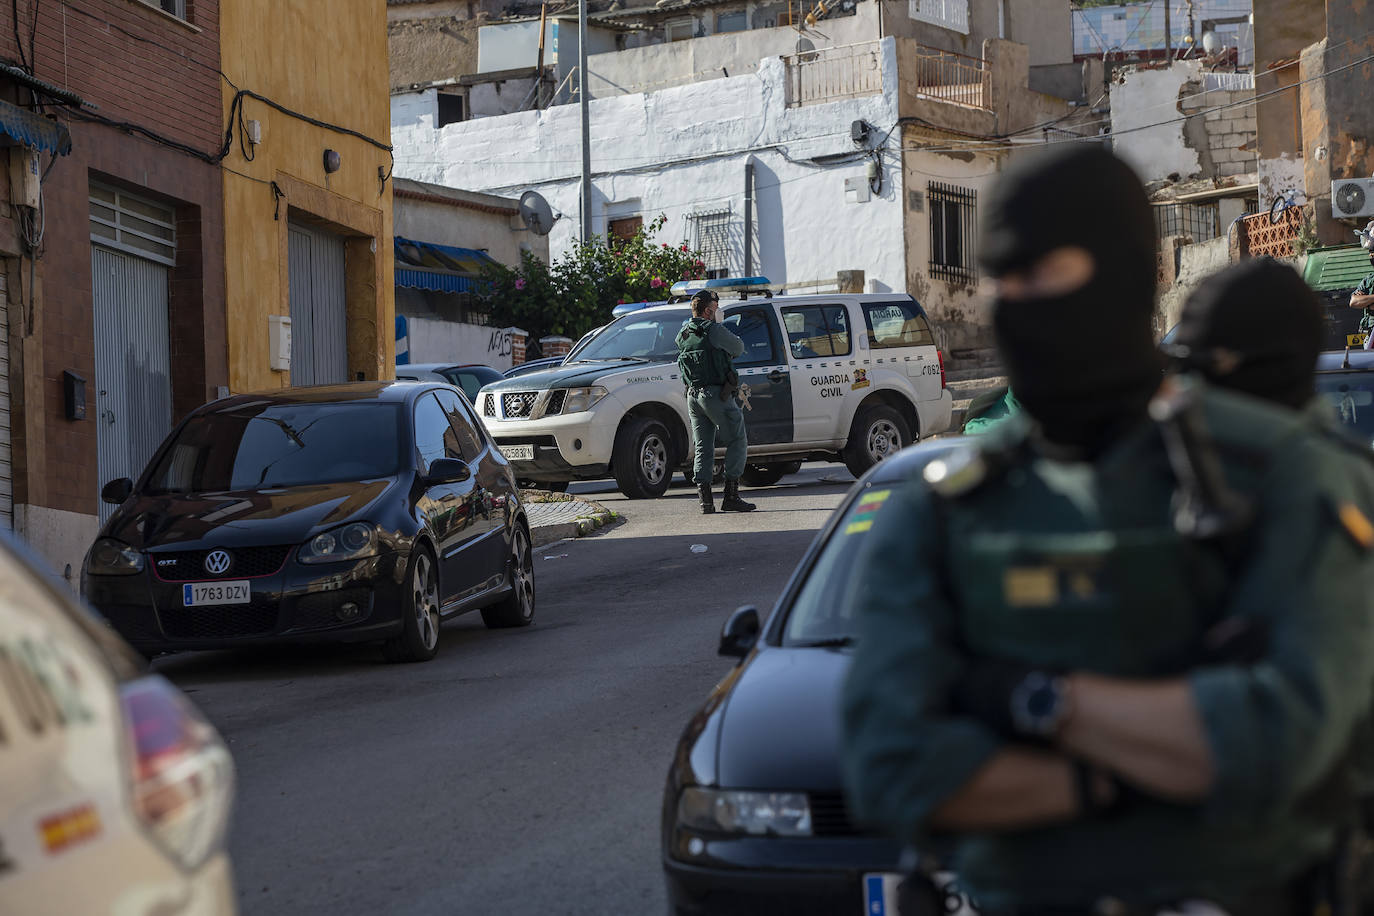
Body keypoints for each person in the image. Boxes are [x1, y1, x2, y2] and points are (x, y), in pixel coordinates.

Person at [839, 144, 1374, 916]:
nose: (1014, 301)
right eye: (999, 278)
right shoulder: (945, 506)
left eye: (1045, 271)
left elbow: (1280, 743)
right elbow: (890, 769)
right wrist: (1134, 770)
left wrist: (1024, 699)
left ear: (1126, 273)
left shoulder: (1276, 474)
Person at [675, 290, 756, 514]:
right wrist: (720, 327)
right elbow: (738, 348)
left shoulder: (683, 332)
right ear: (709, 311)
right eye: (716, 308)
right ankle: (731, 495)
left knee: (703, 446)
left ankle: (705, 501)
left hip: (693, 396)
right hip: (715, 395)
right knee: (737, 439)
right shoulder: (714, 330)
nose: (718, 312)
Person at [1350, 219, 1374, 349]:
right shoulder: (1369, 280)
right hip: (1371, 336)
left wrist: (1367, 300)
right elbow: (1354, 301)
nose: (1371, 254)